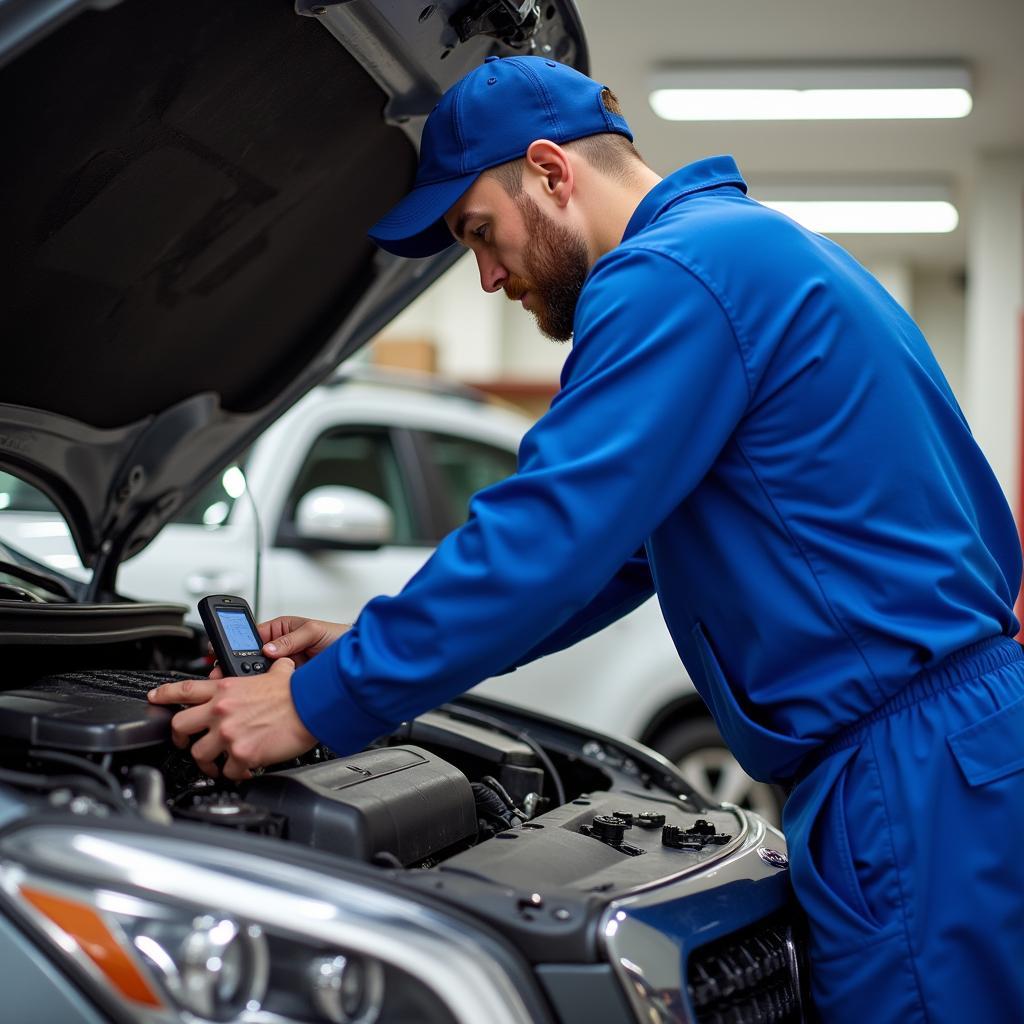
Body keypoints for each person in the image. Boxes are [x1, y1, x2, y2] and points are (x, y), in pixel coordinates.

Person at [149, 56, 1024, 1022]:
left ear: (551, 172)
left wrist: (317, 702)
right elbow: (609, 559)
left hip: (911, 780)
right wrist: (359, 641)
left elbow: (549, 533)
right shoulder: (749, 249)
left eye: (480, 233)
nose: (485, 277)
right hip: (944, 758)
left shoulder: (668, 277)